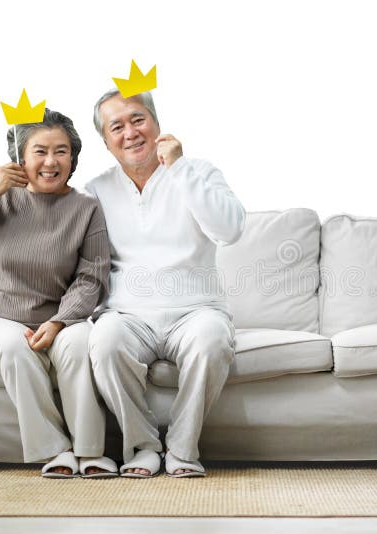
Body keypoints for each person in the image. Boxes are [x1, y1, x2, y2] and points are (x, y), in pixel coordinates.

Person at [0, 109, 116, 478]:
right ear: (20, 158)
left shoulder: (86, 208)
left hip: (60, 315)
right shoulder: (0, 200)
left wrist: (57, 323)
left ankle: (90, 452)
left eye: (62, 151)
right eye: (40, 151)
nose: (51, 161)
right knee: (11, 347)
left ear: (73, 158)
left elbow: (91, 278)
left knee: (79, 343)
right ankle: (55, 449)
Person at [86, 89, 245, 478]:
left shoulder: (198, 171)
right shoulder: (95, 191)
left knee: (211, 340)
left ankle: (182, 449)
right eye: (117, 127)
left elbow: (230, 229)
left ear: (156, 124)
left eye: (138, 120)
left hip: (196, 311)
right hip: (128, 315)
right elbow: (65, 252)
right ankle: (142, 447)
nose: (130, 133)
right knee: (104, 340)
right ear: (106, 142)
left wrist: (178, 167)